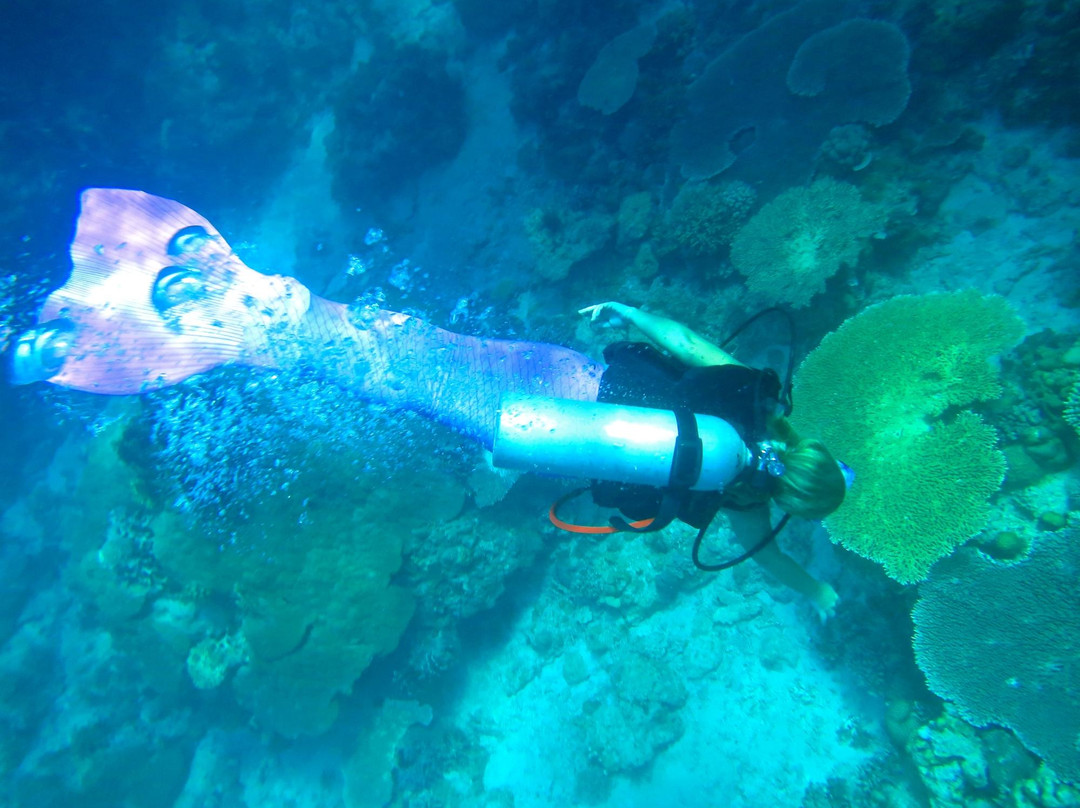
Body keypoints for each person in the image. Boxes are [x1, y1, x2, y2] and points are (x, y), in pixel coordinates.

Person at [9, 188, 843, 618]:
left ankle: (279, 315)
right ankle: (268, 323)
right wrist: (816, 591)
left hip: (569, 378)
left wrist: (626, 312)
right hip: (542, 436)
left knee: (429, 350)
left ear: (809, 455)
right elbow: (771, 560)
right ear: (788, 500)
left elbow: (690, 342)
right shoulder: (740, 498)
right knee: (410, 380)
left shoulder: (752, 406)